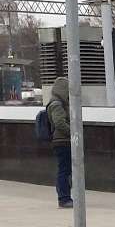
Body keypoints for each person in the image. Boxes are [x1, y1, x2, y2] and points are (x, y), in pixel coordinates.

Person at [48, 76, 72, 208]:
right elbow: (59, 122)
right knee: (64, 170)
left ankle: (66, 196)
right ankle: (64, 198)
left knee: (66, 170)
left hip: (62, 140)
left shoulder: (58, 103)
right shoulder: (57, 104)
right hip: (62, 141)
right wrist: (73, 133)